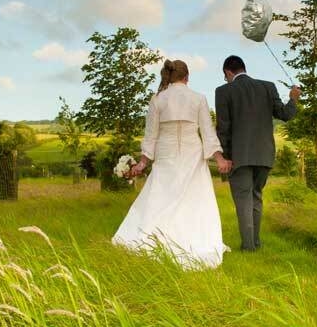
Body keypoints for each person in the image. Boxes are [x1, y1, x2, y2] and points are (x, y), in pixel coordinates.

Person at [111, 59, 230, 269]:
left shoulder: (157, 100)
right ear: (187, 77)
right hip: (192, 153)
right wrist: (219, 158)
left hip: (165, 153)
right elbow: (208, 132)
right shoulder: (198, 98)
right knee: (194, 198)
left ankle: (153, 238)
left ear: (169, 76)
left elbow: (151, 135)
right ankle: (194, 239)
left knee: (161, 194)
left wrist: (143, 162)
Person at [214, 55, 300, 251]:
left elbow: (223, 128)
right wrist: (293, 99)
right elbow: (285, 115)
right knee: (256, 197)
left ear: (228, 72)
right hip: (264, 155)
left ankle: (248, 247)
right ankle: (256, 243)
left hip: (239, 156)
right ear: (243, 68)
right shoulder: (268, 87)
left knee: (243, 199)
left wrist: (225, 156)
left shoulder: (223, 91)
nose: (226, 80)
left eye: (225, 76)